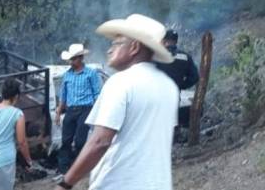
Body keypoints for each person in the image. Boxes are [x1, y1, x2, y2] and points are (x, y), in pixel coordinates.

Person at [54, 14, 179, 190]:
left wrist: (66, 184)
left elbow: (100, 142)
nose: (109, 50)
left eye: (116, 43)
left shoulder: (121, 82)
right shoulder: (169, 87)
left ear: (134, 47)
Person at [54, 43, 101, 177]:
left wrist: (98, 111)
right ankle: (63, 169)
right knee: (66, 140)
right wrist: (58, 113)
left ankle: (79, 167)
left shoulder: (91, 73)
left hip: (85, 109)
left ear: (80, 58)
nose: (71, 62)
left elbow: (97, 94)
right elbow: (63, 96)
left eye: (73, 59)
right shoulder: (67, 75)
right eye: (71, 59)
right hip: (71, 109)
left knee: (80, 141)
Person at [156, 30, 199, 129]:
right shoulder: (185, 57)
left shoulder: (156, 56)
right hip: (175, 93)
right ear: (176, 41)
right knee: (173, 120)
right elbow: (195, 77)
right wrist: (181, 85)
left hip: (157, 95)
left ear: (164, 41)